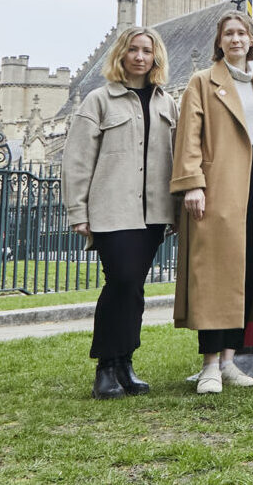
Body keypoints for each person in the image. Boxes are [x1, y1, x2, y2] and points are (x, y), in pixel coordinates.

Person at [63, 26, 176, 399]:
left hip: (154, 212)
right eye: (133, 50)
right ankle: (106, 366)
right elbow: (77, 160)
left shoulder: (166, 103)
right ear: (121, 56)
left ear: (155, 57)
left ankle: (125, 363)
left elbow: (177, 159)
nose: (140, 57)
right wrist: (78, 210)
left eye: (147, 51)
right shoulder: (99, 100)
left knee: (134, 287)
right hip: (113, 208)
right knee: (122, 281)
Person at [171, 11, 253, 394]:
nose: (236, 39)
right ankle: (209, 366)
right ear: (219, 42)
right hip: (217, 186)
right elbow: (189, 137)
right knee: (213, 277)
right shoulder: (202, 81)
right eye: (228, 34)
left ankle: (230, 360)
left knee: (244, 273)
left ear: (252, 41)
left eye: (242, 33)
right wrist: (193, 185)